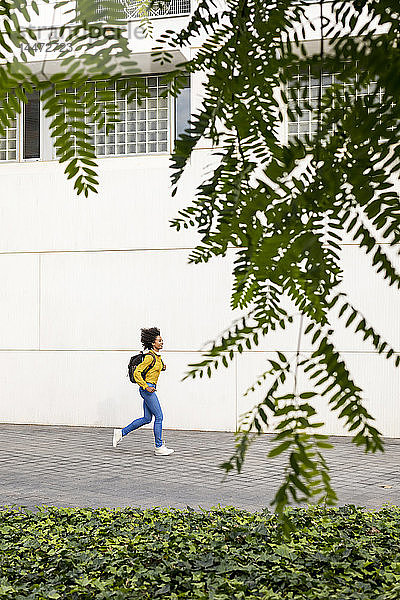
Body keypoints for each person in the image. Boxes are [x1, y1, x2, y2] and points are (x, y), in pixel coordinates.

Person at [112, 327, 174, 456]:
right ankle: (159, 447)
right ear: (153, 343)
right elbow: (137, 372)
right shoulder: (149, 357)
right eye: (160, 341)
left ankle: (121, 433)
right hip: (148, 390)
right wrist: (146, 386)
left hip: (149, 388)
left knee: (147, 418)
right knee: (159, 417)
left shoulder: (156, 357)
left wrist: (162, 367)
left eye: (162, 340)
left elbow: (156, 368)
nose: (162, 342)